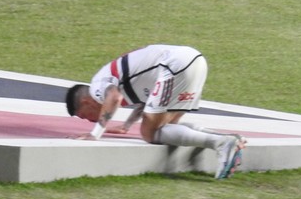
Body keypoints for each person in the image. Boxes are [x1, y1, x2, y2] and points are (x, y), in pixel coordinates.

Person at [65, 44, 246, 179]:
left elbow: (114, 98)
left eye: (84, 116)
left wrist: (95, 133)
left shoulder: (96, 87)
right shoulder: (114, 81)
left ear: (85, 102)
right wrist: (126, 125)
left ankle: (221, 143)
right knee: (166, 127)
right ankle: (226, 139)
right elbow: (147, 101)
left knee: (149, 133)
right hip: (193, 61)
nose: (88, 120)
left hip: (174, 65)